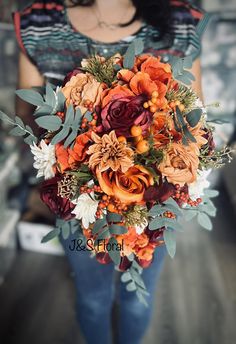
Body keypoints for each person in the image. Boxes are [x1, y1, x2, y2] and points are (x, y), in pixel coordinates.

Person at [14, 1, 209, 343]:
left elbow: (197, 120)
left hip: (156, 206)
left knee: (137, 299)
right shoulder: (36, 23)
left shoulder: (182, 21)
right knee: (92, 298)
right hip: (78, 205)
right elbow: (27, 116)